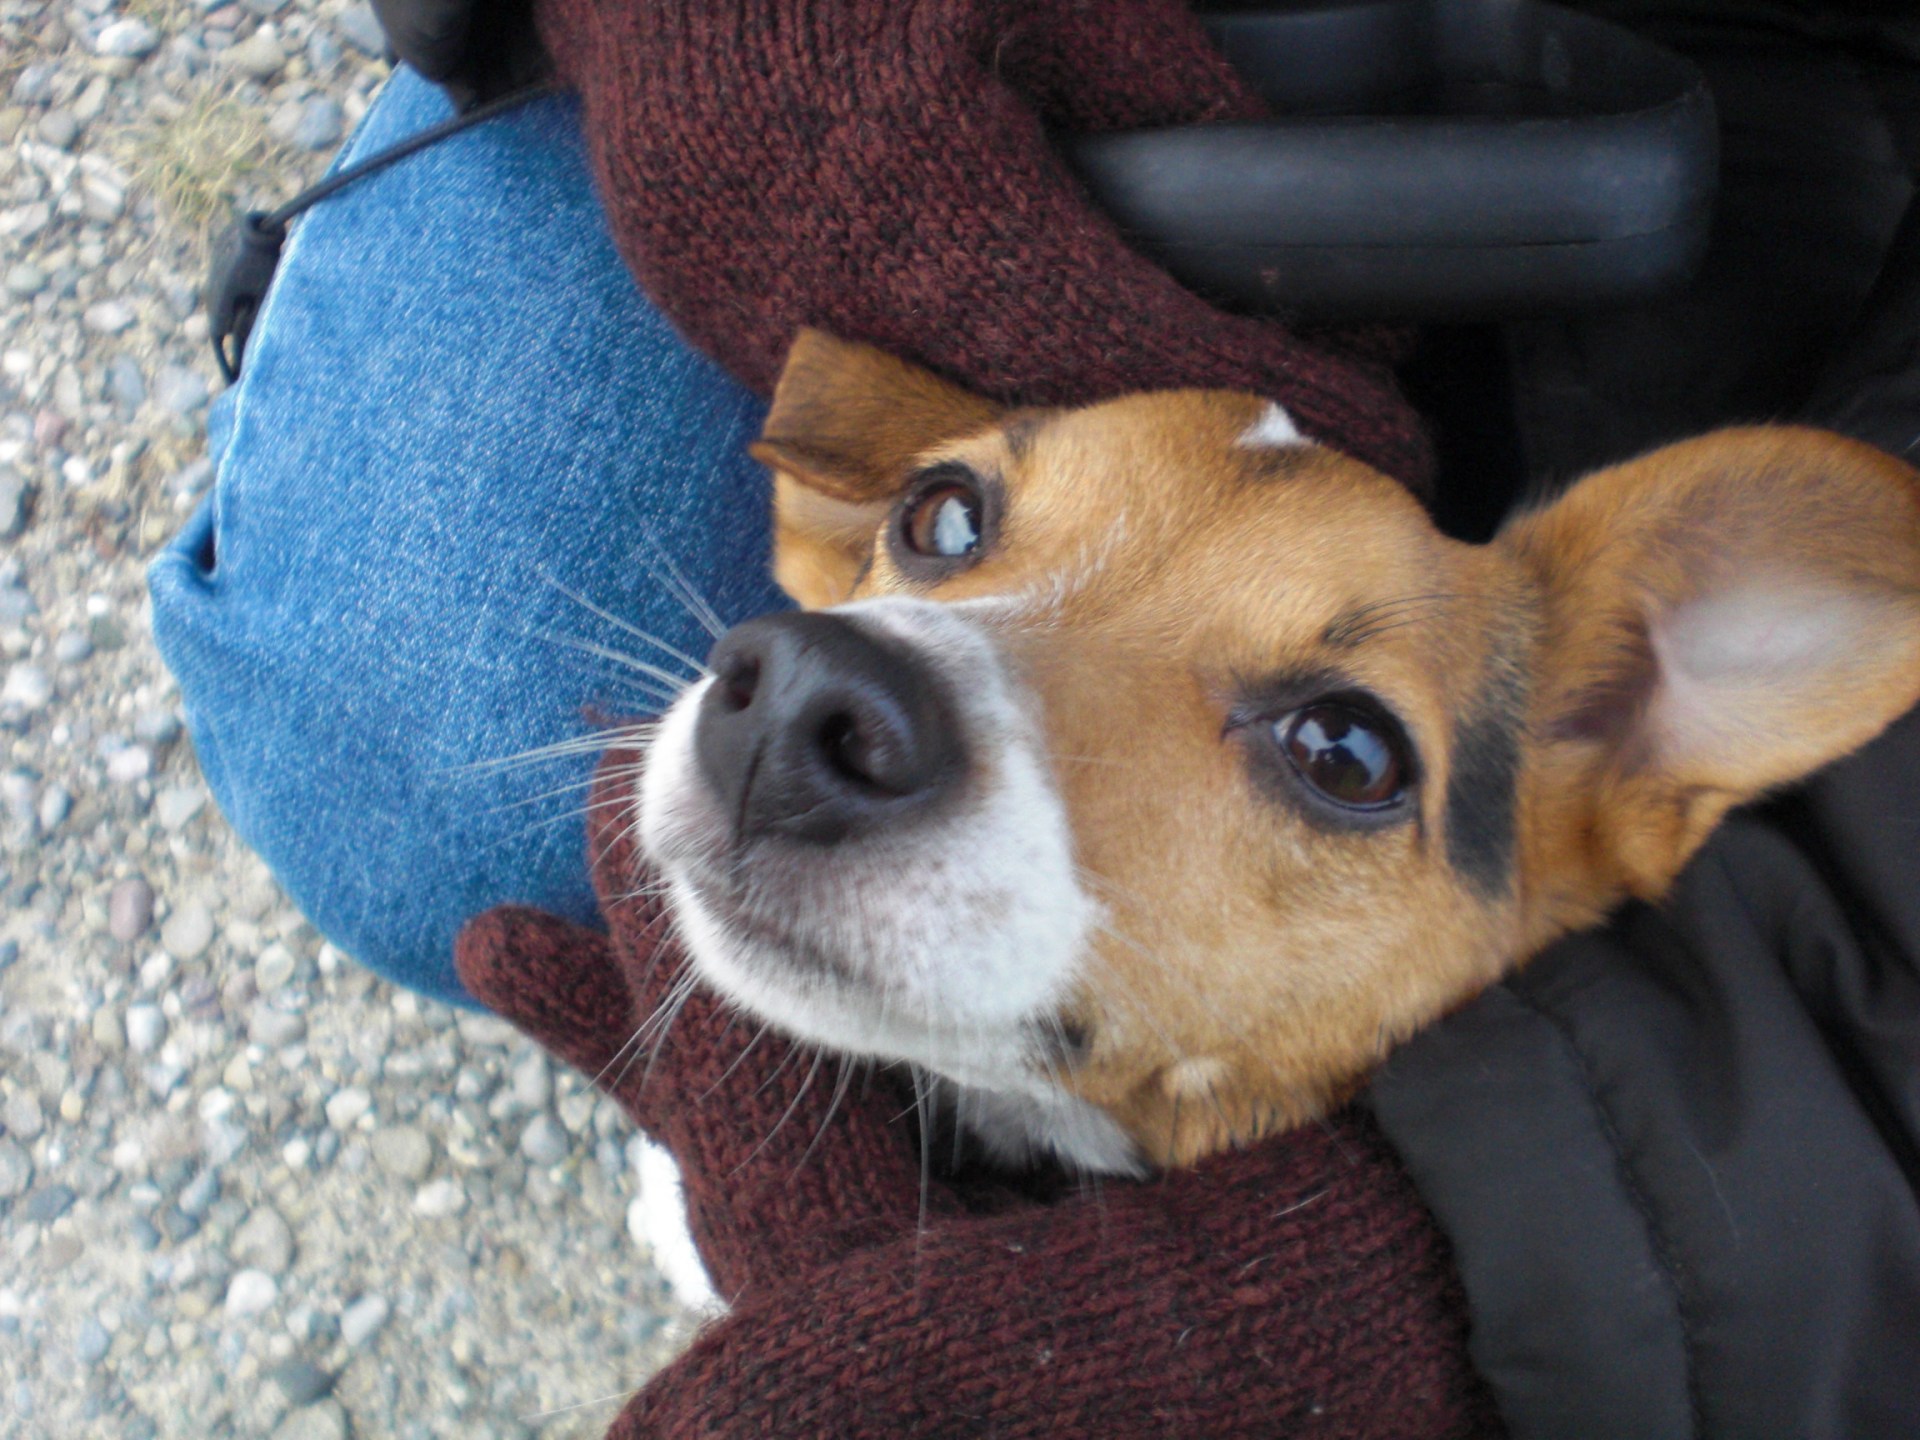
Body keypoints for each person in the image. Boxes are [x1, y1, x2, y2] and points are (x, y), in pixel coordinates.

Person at [150, 1, 1920, 1433]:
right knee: (414, 709)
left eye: (1336, 745)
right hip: (1121, 83)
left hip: (1786, 134)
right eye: (948, 529)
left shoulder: (1619, 698)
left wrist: (1495, 1267)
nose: (858, 685)